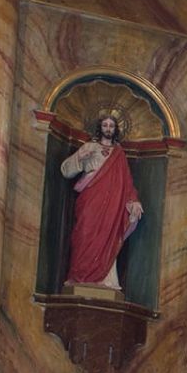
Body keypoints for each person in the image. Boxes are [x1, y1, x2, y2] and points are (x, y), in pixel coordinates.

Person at [61, 110, 144, 290]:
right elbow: (66, 171)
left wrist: (134, 201)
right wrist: (79, 158)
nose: (108, 128)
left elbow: (127, 183)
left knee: (108, 235)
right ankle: (78, 276)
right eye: (105, 125)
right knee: (84, 233)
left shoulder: (119, 154)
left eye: (111, 126)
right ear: (100, 128)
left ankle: (105, 279)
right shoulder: (89, 147)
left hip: (112, 205)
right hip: (91, 199)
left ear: (115, 129)